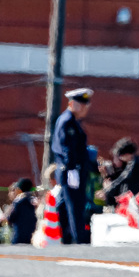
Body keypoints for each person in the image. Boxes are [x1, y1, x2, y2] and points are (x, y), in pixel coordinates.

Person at [51, 87, 94, 244]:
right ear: (72, 104)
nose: (84, 109)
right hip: (71, 169)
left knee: (65, 205)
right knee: (75, 205)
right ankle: (79, 239)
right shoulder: (68, 122)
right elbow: (67, 148)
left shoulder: (71, 121)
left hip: (69, 169)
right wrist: (73, 168)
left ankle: (66, 238)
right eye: (81, 105)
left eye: (85, 106)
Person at [102, 138, 139, 204]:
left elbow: (123, 179)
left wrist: (108, 189)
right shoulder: (133, 163)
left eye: (120, 155)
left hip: (135, 201)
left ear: (126, 154)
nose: (120, 158)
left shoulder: (136, 165)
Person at [5, 178, 38, 244]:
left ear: (19, 190)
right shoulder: (34, 201)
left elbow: (10, 218)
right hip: (32, 236)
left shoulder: (18, 202)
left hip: (19, 237)